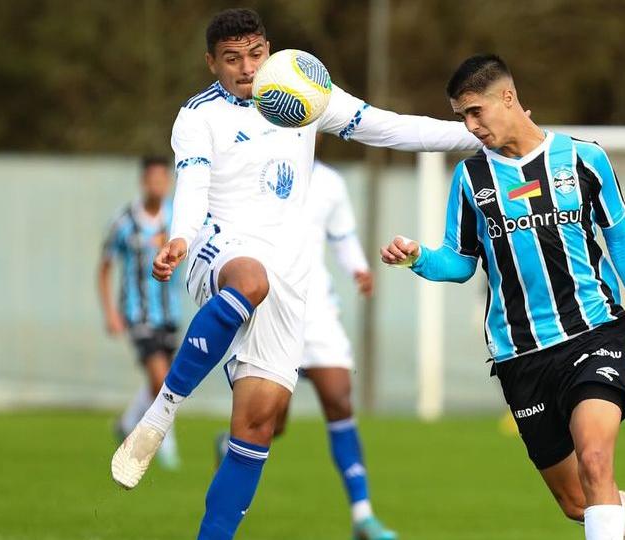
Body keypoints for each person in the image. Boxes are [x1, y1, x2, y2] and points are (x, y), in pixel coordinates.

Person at [109, 8, 479, 539]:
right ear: (211, 63)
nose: (246, 67)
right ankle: (160, 413)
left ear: (269, 50)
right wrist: (180, 239)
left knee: (256, 427)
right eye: (232, 59)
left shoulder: (303, 91)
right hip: (219, 250)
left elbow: (389, 126)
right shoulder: (198, 116)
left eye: (255, 54)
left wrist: (477, 136)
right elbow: (190, 186)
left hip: (290, 277)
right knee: (250, 279)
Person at [380, 54, 625, 540]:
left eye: (474, 112)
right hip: (521, 355)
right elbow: (461, 262)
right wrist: (417, 257)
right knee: (579, 503)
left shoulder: (584, 158)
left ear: (507, 98)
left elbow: (621, 236)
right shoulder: (472, 179)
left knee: (595, 459)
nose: (470, 126)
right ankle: (615, 511)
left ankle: (607, 506)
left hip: (593, 332)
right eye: (461, 117)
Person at [214, 156, 395, 539]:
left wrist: (359, 268)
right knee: (270, 421)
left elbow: (342, 236)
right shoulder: (255, 166)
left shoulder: (330, 182)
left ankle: (362, 515)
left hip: (317, 313)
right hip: (271, 308)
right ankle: (231, 445)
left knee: (340, 399)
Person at [98, 156, 182, 469]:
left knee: (161, 380)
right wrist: (110, 312)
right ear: (143, 182)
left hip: (170, 311)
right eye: (153, 179)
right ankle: (164, 442)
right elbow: (104, 268)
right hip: (138, 312)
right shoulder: (124, 221)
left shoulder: (177, 218)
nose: (158, 185)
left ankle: (127, 421)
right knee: (162, 380)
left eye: (163, 179)